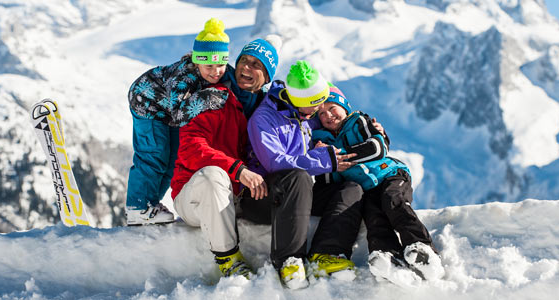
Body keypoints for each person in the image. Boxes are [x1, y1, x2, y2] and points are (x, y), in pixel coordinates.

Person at [125, 16, 281, 226]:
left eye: (220, 64)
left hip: (168, 112)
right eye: (208, 65)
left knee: (171, 159)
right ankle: (138, 207)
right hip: (149, 104)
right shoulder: (183, 80)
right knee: (154, 154)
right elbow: (181, 115)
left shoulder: (224, 72)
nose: (215, 72)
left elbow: (244, 90)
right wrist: (206, 98)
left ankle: (152, 204)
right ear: (197, 60)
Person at [241, 60, 360, 289]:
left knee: (351, 188)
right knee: (298, 177)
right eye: (315, 106)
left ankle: (326, 253)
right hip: (262, 197)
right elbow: (276, 163)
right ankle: (289, 260)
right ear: (298, 102)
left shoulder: (305, 110)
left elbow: (336, 115)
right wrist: (323, 160)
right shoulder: (263, 120)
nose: (319, 109)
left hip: (297, 196)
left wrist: (366, 125)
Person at [313, 85, 445, 282]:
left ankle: (421, 246)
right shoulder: (321, 141)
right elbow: (329, 181)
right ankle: (386, 254)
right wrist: (322, 158)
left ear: (344, 106)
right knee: (374, 215)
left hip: (390, 173)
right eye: (322, 113)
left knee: (393, 201)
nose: (328, 115)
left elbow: (377, 148)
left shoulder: (358, 121)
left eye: (332, 108)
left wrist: (338, 156)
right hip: (366, 187)